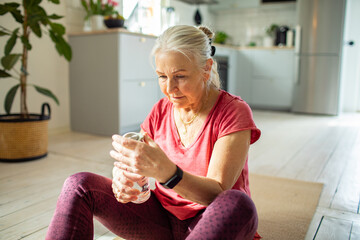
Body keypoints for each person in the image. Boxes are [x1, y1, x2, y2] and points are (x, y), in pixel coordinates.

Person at [46, 25, 261, 240]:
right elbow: (133, 164)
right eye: (162, 76)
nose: (169, 88)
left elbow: (216, 193)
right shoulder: (160, 110)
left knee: (238, 203)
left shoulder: (233, 111)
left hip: (209, 221)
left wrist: (168, 173)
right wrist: (122, 179)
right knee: (78, 185)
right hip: (161, 219)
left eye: (180, 76)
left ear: (206, 68)